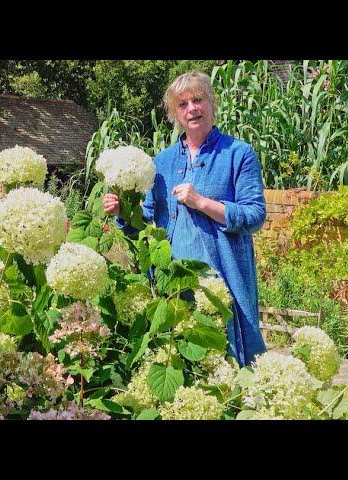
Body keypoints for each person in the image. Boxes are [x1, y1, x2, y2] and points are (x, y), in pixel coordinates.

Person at [103, 71, 267, 367]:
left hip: (219, 284)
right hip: (172, 283)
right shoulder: (162, 162)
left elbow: (255, 215)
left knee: (224, 362)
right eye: (183, 104)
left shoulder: (238, 154)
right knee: (177, 359)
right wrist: (122, 213)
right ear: (175, 113)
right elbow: (149, 219)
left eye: (198, 100)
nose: (192, 108)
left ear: (211, 104)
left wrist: (202, 202)